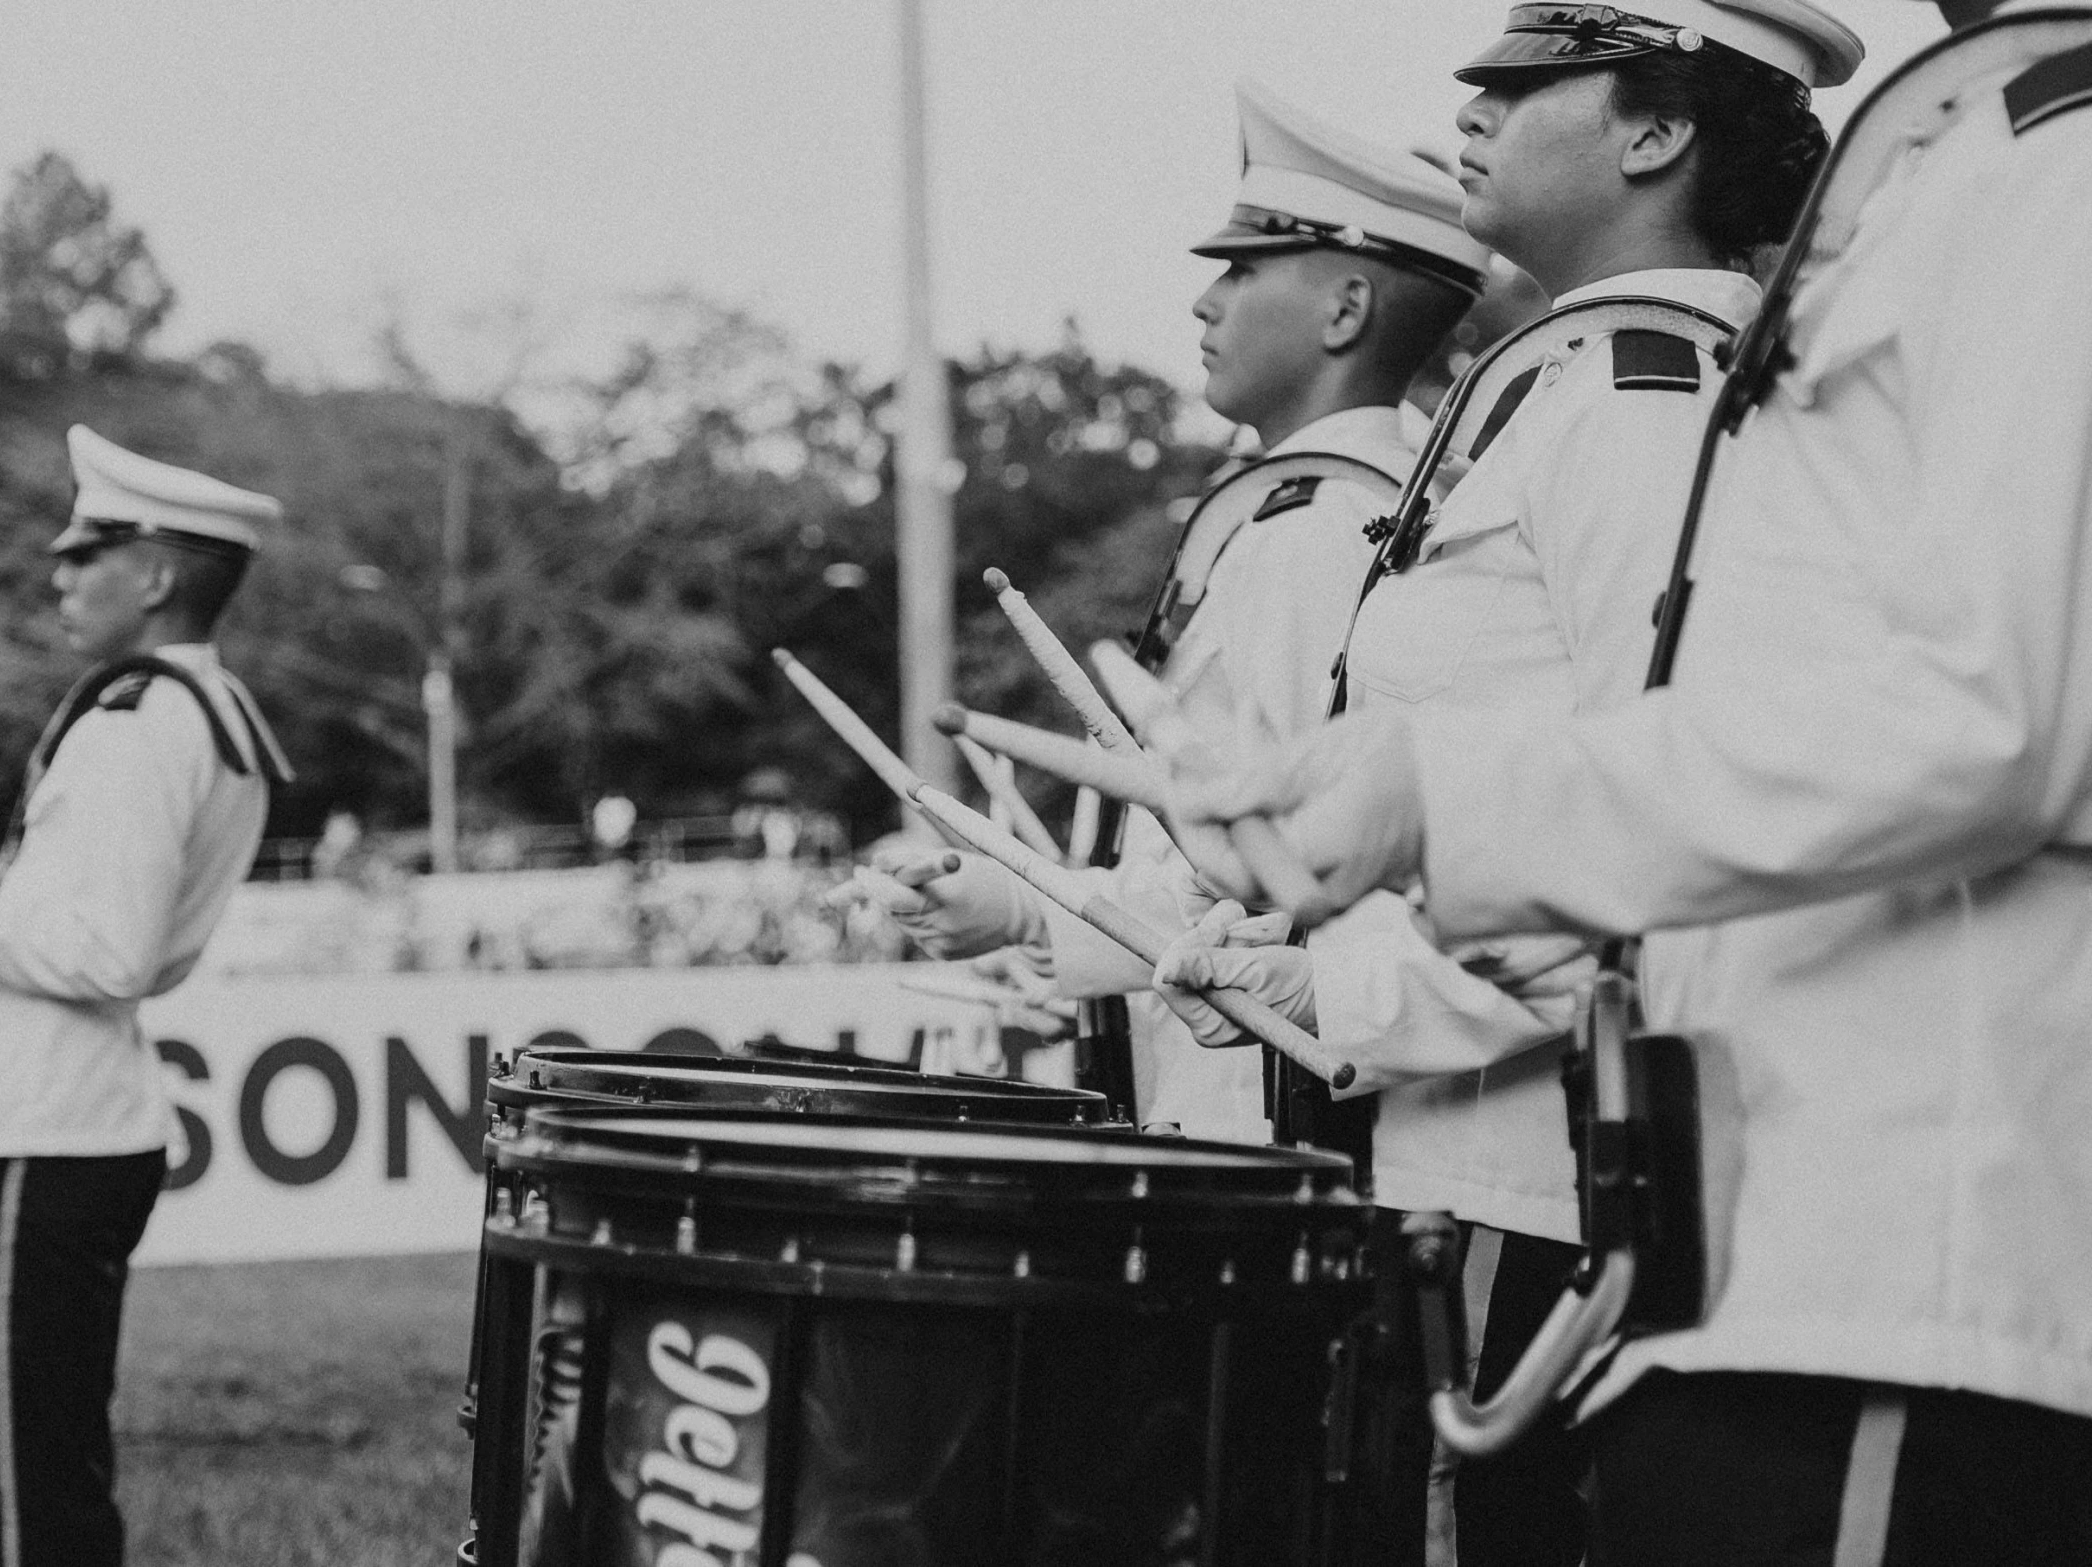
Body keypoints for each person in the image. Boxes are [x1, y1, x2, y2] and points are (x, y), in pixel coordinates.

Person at [1151, 2, 2092, 1560]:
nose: (1472, 102)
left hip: (1897, 1270)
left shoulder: (2044, 161)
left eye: (1524, 78)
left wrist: (1436, 811)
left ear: (1656, 133)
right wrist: (1341, 948)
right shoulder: (1979, 151)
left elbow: (1980, 719)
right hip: (1776, 1265)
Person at [837, 78, 1487, 1145]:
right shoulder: (1348, 500)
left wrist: (1028, 910)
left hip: (1276, 1118)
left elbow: (1274, 862)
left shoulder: (1310, 528)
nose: (1204, 302)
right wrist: (1015, 911)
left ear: (1344, 309)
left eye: (1241, 268)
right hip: (1292, 1089)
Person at [0, 424, 291, 1567]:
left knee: (22, 1507)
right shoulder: (202, 712)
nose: (60, 574)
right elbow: (97, 935)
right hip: (74, 1122)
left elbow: (107, 953)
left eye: (88, 552)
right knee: (42, 1480)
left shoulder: (136, 728)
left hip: (53, 1134)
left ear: (156, 574)